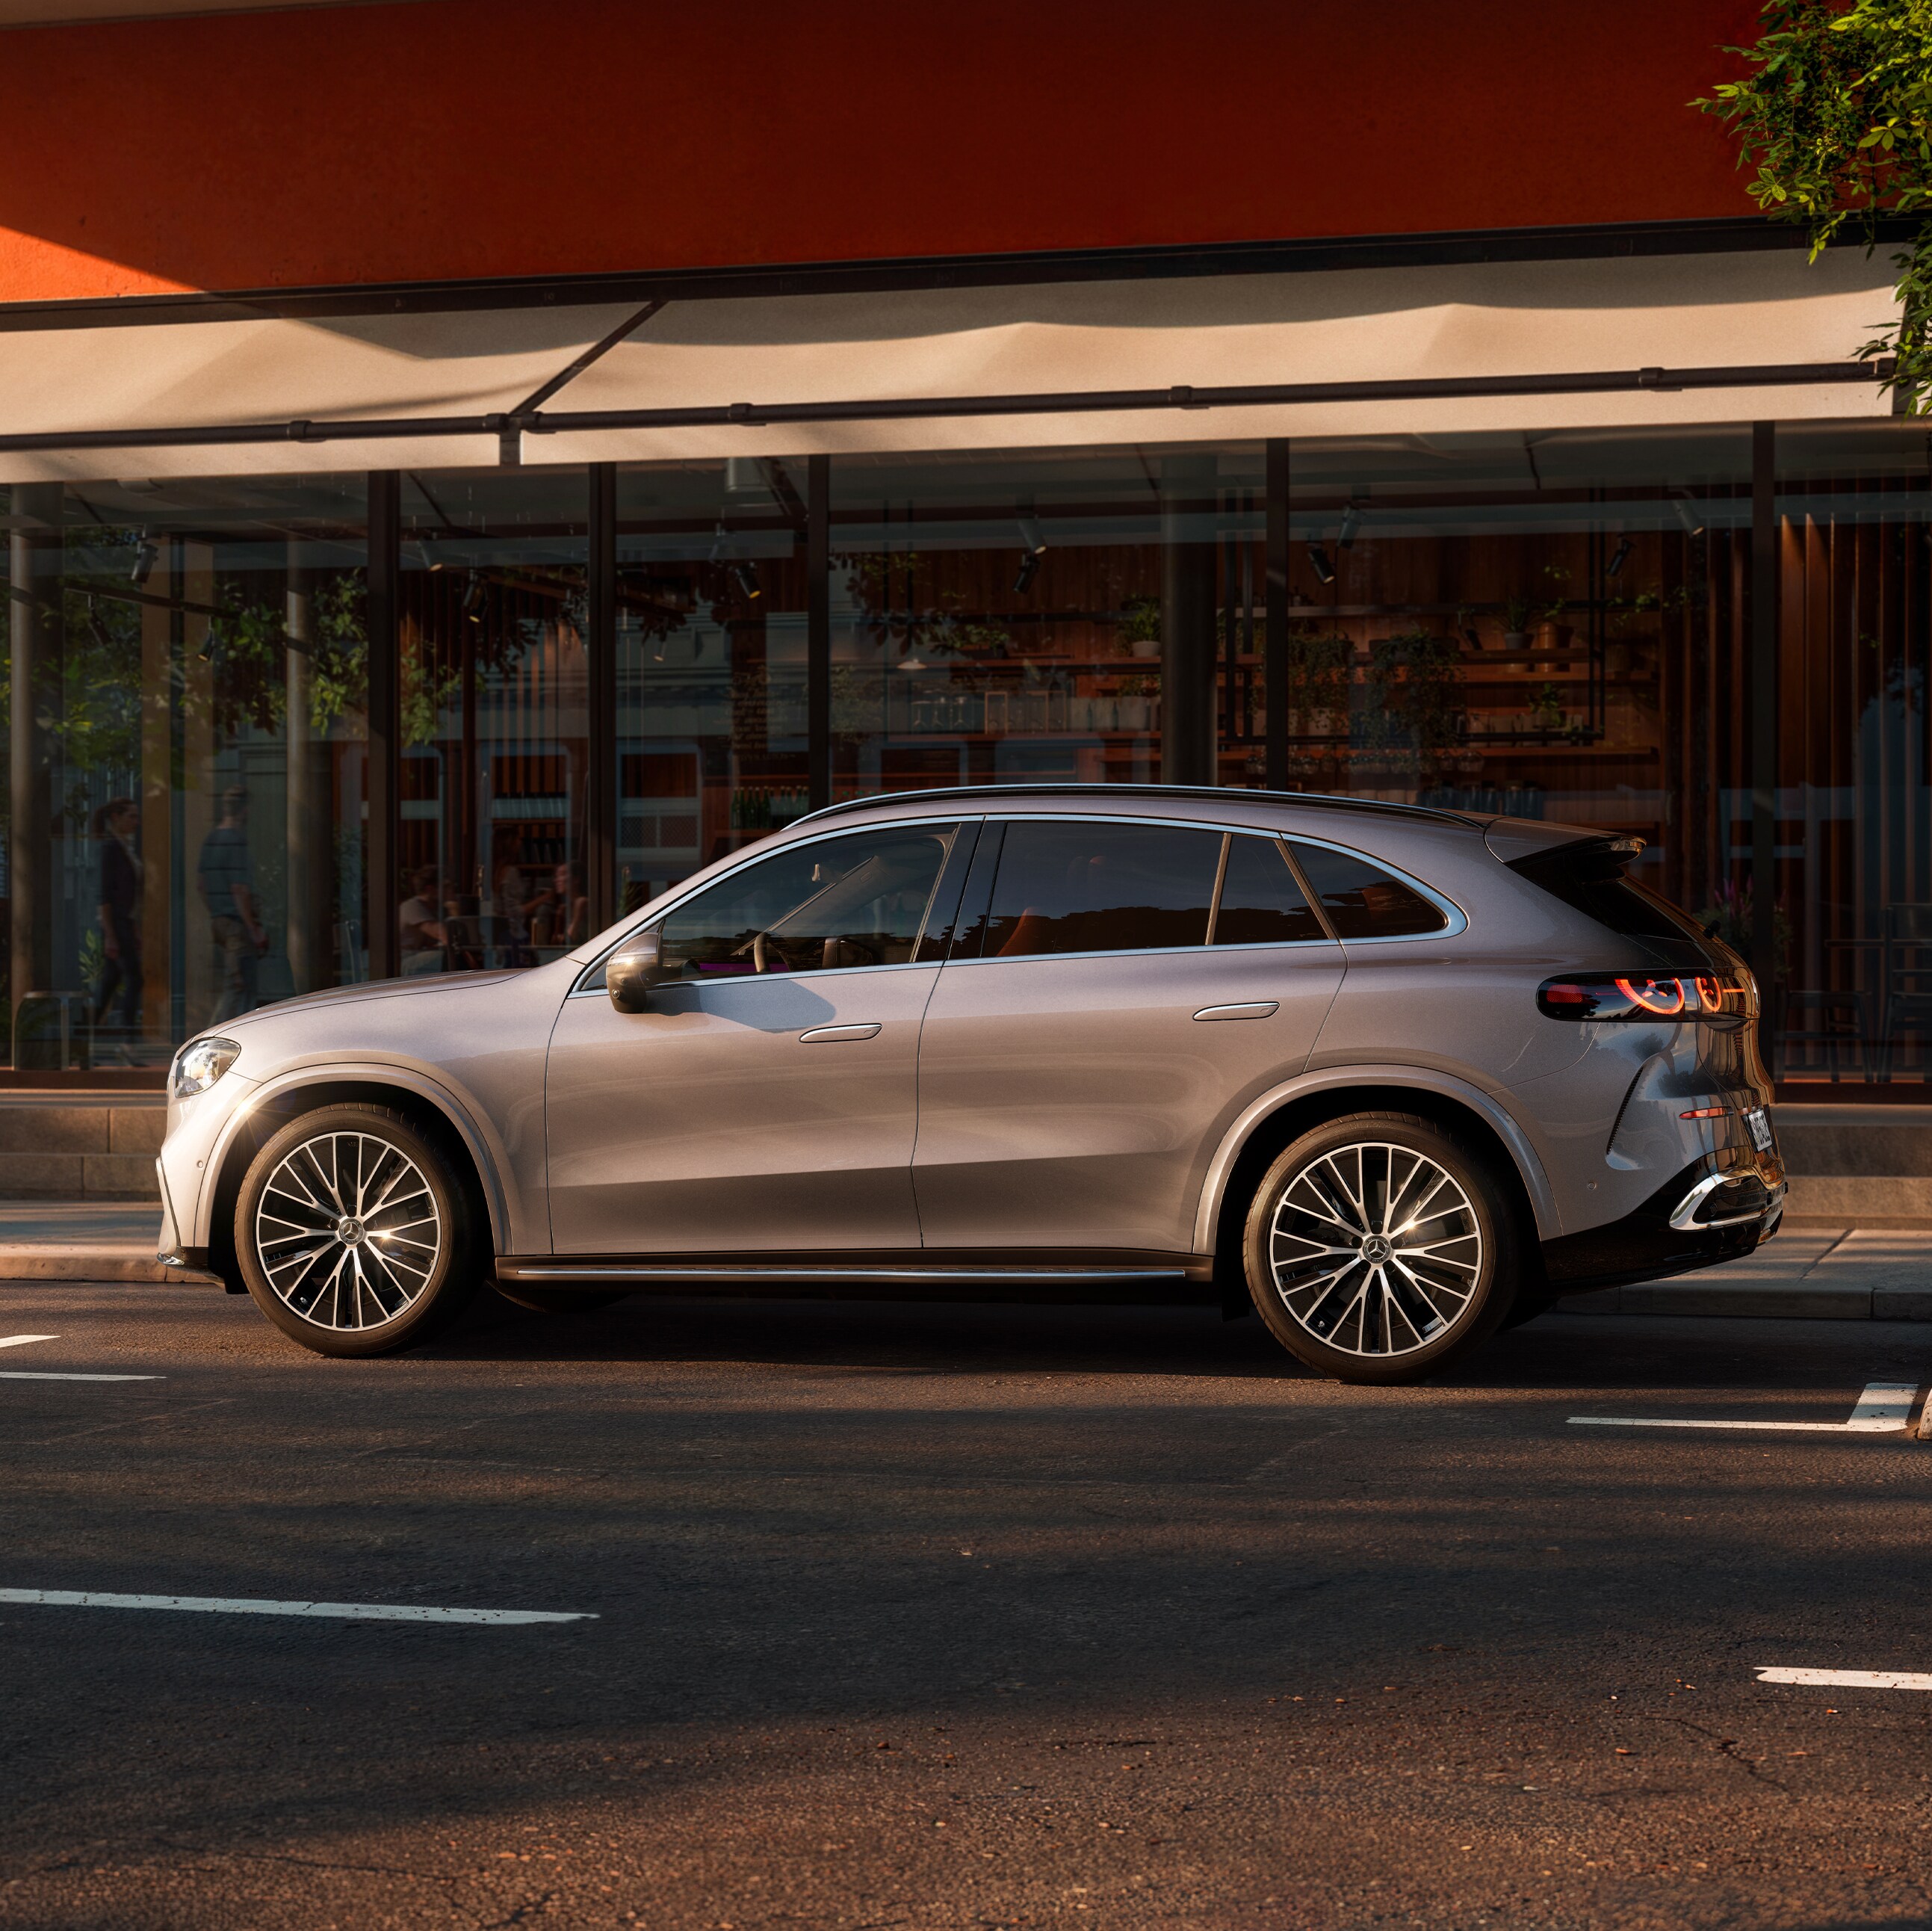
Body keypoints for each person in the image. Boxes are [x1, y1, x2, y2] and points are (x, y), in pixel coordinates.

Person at [198, 786, 265, 1022]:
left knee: (232, 985)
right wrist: (253, 928)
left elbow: (202, 885)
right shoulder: (236, 840)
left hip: (219, 922)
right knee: (240, 990)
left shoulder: (212, 838)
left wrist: (217, 912)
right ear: (245, 810)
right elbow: (240, 889)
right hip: (237, 925)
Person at [92, 797, 142, 1039]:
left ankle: (84, 1035)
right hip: (117, 924)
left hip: (125, 923)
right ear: (116, 818)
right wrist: (111, 935)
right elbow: (105, 895)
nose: (136, 822)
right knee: (135, 978)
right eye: (131, 816)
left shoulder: (124, 846)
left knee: (111, 982)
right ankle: (129, 1039)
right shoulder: (110, 848)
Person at [399, 864, 447, 974]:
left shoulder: (432, 908)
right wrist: (452, 903)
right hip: (404, 960)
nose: (450, 890)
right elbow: (444, 936)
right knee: (448, 957)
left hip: (415, 956)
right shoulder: (412, 906)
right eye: (446, 886)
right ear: (430, 889)